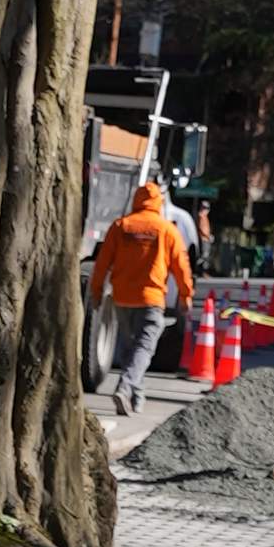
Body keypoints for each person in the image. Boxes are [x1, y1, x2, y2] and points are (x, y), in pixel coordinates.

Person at [89, 173, 195, 413]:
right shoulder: (166, 229)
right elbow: (181, 264)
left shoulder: (120, 226)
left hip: (122, 298)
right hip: (151, 300)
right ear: (158, 202)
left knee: (131, 348)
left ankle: (136, 399)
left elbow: (102, 263)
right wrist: (186, 294)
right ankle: (125, 389)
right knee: (144, 348)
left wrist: (96, 292)